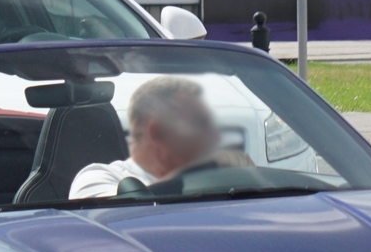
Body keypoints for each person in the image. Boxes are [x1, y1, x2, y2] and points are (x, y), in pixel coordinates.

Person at [69, 75, 252, 198]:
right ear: (157, 132)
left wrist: (250, 177)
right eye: (198, 125)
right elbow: (128, 215)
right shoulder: (97, 179)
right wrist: (202, 172)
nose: (214, 138)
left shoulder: (218, 176)